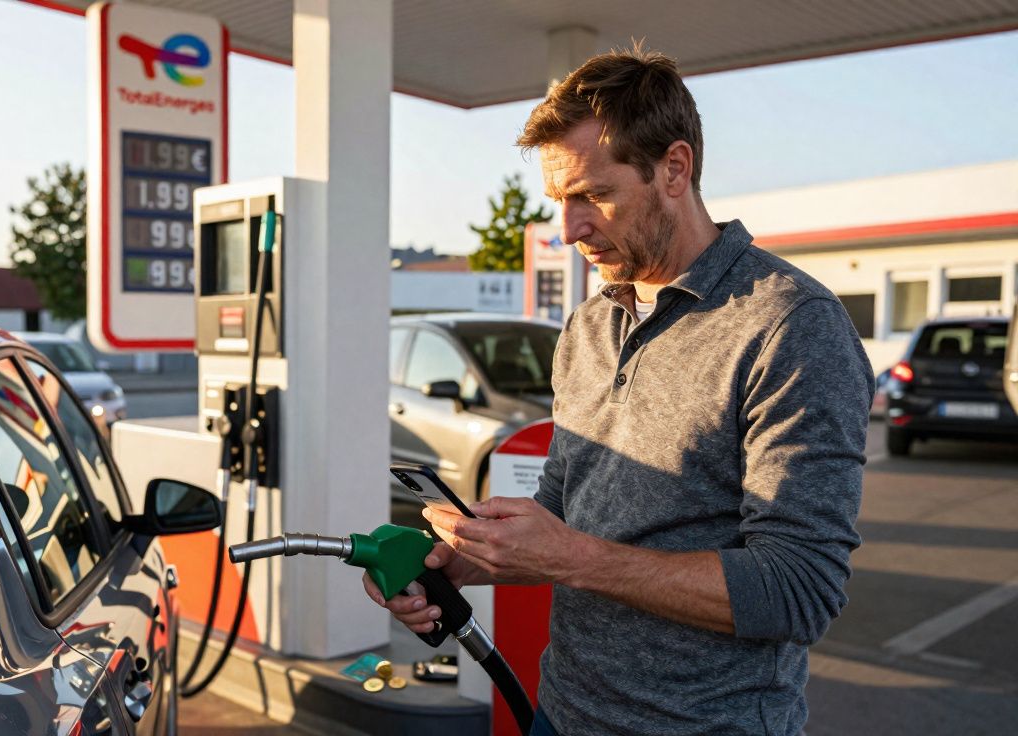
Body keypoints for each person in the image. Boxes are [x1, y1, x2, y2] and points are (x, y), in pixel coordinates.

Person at [365, 46, 873, 735]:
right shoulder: (590, 325)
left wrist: (572, 558)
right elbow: (566, 512)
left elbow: (798, 589)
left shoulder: (790, 325)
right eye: (559, 202)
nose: (569, 228)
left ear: (674, 168)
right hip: (565, 710)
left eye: (594, 195)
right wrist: (460, 563)